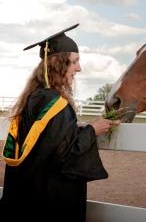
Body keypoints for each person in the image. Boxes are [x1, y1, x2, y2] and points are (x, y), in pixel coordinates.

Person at [0, 24, 120, 222]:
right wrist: (92, 129)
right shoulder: (56, 104)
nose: (79, 68)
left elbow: (47, 143)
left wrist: (76, 128)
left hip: (27, 197)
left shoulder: (34, 98)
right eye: (75, 62)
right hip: (49, 201)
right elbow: (64, 155)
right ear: (59, 64)